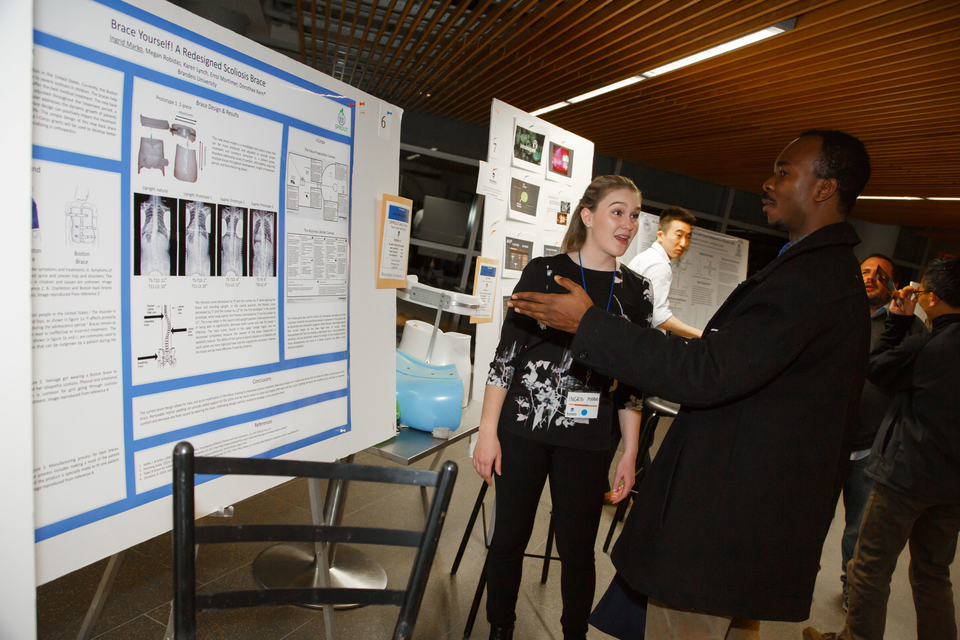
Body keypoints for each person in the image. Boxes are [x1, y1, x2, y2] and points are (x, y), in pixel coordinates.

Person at [509, 130, 873, 637]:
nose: (768, 183)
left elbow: (706, 372)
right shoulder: (813, 272)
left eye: (784, 171)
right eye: (618, 212)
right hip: (742, 523)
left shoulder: (812, 282)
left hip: (726, 528)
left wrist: (589, 324)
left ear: (823, 188)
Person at [472, 175, 653, 640]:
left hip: (589, 437)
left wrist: (629, 451)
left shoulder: (637, 291)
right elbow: (506, 357)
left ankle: (574, 633)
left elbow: (632, 383)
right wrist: (487, 431)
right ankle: (500, 628)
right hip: (523, 427)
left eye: (634, 215)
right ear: (588, 216)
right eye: (618, 211)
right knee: (510, 537)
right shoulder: (544, 272)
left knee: (578, 549)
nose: (628, 224)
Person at [803, 256, 960, 640]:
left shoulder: (933, 348)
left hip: (905, 476)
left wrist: (898, 323)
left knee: (869, 568)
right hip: (952, 485)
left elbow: (876, 368)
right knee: (932, 574)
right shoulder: (938, 342)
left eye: (921, 291)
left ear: (934, 298)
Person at [837, 254, 925, 611]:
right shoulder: (841, 315)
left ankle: (850, 588)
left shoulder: (909, 329)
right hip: (829, 440)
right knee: (804, 519)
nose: (871, 277)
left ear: (893, 285)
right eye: (864, 271)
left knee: (860, 530)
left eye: (881, 274)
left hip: (871, 448)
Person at [627, 207, 703, 338]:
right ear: (661, 235)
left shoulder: (645, 257)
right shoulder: (659, 265)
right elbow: (659, 315)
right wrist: (700, 334)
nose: (684, 243)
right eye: (678, 235)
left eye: (688, 237)